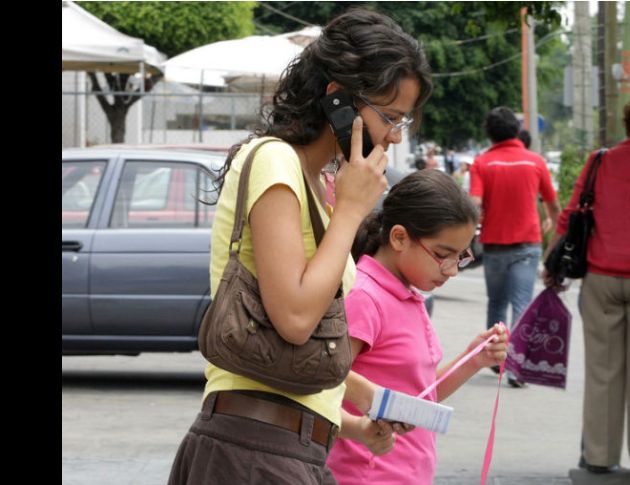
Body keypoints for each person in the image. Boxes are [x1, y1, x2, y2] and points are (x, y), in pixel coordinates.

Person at [167, 9, 433, 485]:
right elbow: (292, 319)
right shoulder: (274, 162)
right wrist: (351, 212)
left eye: (403, 122)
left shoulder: (317, 185)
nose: (394, 136)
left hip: (290, 448)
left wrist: (364, 408)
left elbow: (299, 350)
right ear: (339, 100)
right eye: (389, 117)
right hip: (252, 450)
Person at [326, 169, 508, 484]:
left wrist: (475, 359)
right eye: (442, 255)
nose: (451, 270)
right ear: (399, 237)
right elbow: (322, 380)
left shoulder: (408, 294)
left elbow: (417, 399)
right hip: (365, 475)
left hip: (409, 473)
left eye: (460, 258)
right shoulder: (365, 296)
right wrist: (359, 429)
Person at [542, 94, 630, 474]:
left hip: (600, 278)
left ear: (627, 124)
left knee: (602, 371)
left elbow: (570, 215)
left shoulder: (602, 161)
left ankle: (599, 456)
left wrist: (552, 263)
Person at [469, 106, 560, 387]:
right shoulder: (535, 162)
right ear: (516, 131)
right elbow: (554, 206)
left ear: (490, 133)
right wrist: (552, 239)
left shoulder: (482, 163)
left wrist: (469, 234)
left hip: (495, 246)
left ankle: (496, 360)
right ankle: (516, 369)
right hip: (526, 245)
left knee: (496, 303)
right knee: (521, 304)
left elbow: (474, 205)